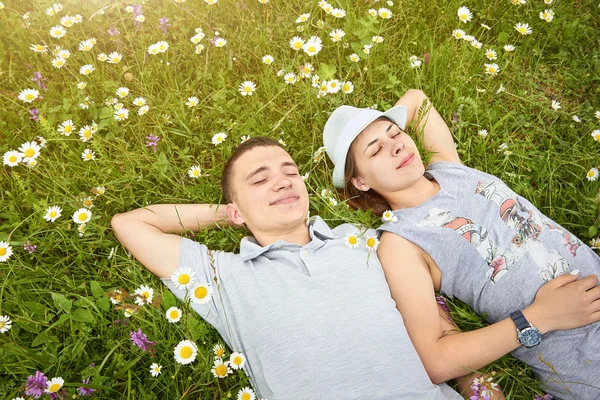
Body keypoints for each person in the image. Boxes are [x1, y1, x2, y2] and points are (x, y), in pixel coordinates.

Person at [112, 137, 481, 399]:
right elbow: (129, 225)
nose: (283, 180)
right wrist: (228, 213)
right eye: (260, 179)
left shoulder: (364, 240)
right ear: (237, 211)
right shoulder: (221, 275)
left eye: (290, 171)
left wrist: (483, 390)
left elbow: (431, 318)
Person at [322, 89, 600, 399]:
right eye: (376, 150)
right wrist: (539, 317)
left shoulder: (449, 167)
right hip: (583, 354)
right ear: (360, 182)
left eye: (395, 132)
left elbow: (416, 99)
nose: (397, 145)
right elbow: (436, 360)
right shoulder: (402, 244)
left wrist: (375, 130)